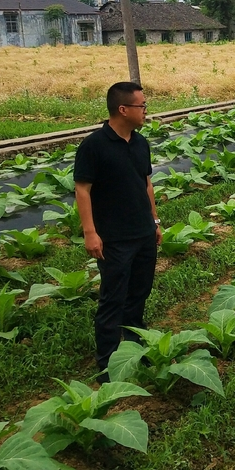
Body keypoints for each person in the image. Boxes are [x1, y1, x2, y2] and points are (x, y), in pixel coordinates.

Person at [74, 81, 163, 379]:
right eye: (142, 106)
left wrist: (154, 221)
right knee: (113, 299)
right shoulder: (94, 146)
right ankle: (108, 363)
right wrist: (90, 232)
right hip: (114, 238)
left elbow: (146, 183)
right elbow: (83, 189)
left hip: (142, 233)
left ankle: (135, 348)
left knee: (139, 293)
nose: (146, 112)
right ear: (123, 109)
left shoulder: (140, 143)